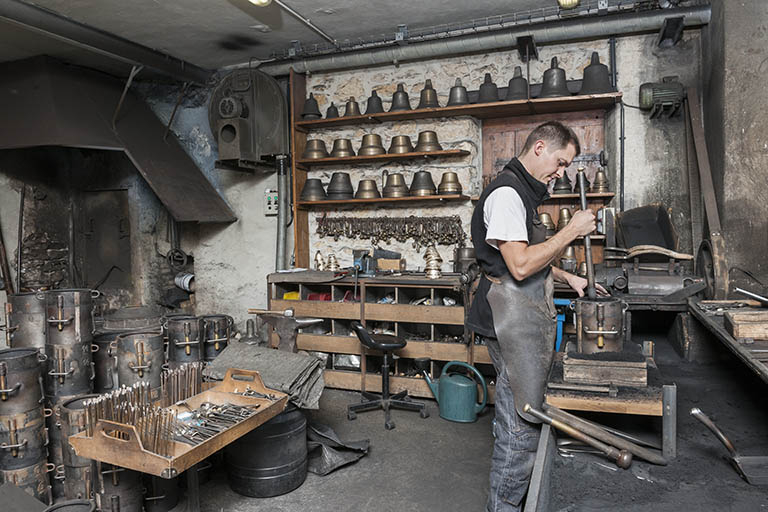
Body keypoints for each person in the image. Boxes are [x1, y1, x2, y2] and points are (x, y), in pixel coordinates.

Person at [467, 121, 607, 511]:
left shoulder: (523, 192)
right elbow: (521, 266)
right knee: (521, 426)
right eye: (560, 163)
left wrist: (567, 276)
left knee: (521, 416)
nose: (561, 173)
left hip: (518, 318)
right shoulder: (509, 195)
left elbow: (525, 255)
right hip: (508, 322)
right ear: (540, 147)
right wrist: (571, 231)